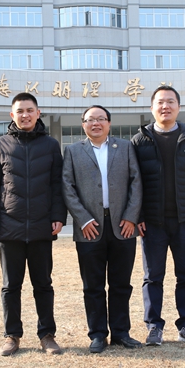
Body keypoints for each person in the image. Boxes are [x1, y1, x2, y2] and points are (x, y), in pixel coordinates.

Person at [0, 92, 67, 357]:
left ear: (38, 113)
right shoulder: (0, 145)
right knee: (11, 286)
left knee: (43, 285)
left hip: (42, 227)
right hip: (10, 227)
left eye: (30, 110)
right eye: (20, 111)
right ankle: (12, 336)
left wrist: (58, 215)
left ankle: (47, 335)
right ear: (12, 115)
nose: (25, 115)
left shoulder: (50, 145)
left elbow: (57, 184)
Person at [131, 85, 185, 347]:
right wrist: (138, 215)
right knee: (152, 276)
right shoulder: (139, 141)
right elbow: (133, 181)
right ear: (152, 108)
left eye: (170, 102)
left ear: (178, 107)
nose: (165, 106)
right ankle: (154, 326)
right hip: (152, 223)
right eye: (160, 102)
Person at [62, 105, 143, 354]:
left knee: (121, 284)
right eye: (90, 120)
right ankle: (97, 334)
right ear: (83, 124)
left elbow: (136, 182)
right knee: (92, 286)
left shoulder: (125, 147)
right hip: (89, 228)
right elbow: (67, 187)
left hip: (122, 226)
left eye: (100, 119)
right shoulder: (73, 151)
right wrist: (83, 219)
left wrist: (131, 217)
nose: (95, 123)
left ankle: (121, 333)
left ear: (108, 123)